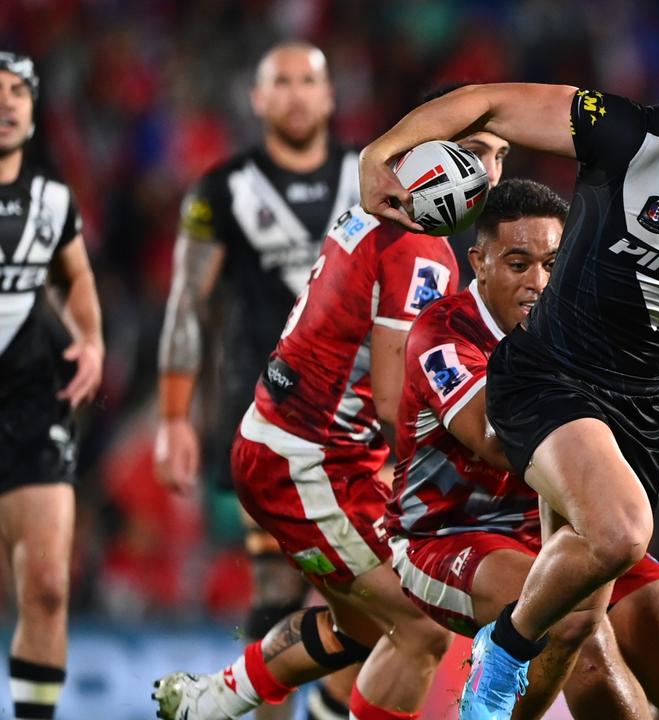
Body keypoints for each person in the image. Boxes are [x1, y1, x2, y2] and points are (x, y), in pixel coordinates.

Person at [359, 21, 659, 718]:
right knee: (621, 533)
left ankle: (509, 683)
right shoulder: (630, 136)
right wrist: (381, 153)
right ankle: (500, 655)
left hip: (637, 416)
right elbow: (486, 101)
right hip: (551, 378)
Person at [387, 178, 659, 719]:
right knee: (574, 626)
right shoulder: (444, 333)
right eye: (518, 264)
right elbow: (498, 441)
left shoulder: (587, 309)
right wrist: (595, 373)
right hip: (452, 534)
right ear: (479, 262)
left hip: (570, 528)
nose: (538, 283)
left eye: (552, 263)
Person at [151, 145, 473, 718]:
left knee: (362, 628)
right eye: (479, 154)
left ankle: (214, 699)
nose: (491, 172)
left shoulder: (365, 210)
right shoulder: (422, 248)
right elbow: (396, 403)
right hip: (312, 462)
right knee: (422, 627)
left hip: (291, 444)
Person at [152, 41, 362, 720]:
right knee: (278, 581)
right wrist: (175, 418)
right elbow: (187, 305)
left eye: (310, 81)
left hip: (360, 418)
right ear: (258, 99)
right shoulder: (221, 190)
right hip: (264, 418)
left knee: (367, 591)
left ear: (331, 97)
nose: (298, 94)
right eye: (283, 82)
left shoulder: (371, 177)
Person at [0, 49, 102, 720]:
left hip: (32, 401)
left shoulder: (52, 200)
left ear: (34, 113)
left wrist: (91, 338)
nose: (5, 102)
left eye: (17, 92)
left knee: (45, 587)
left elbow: (78, 278)